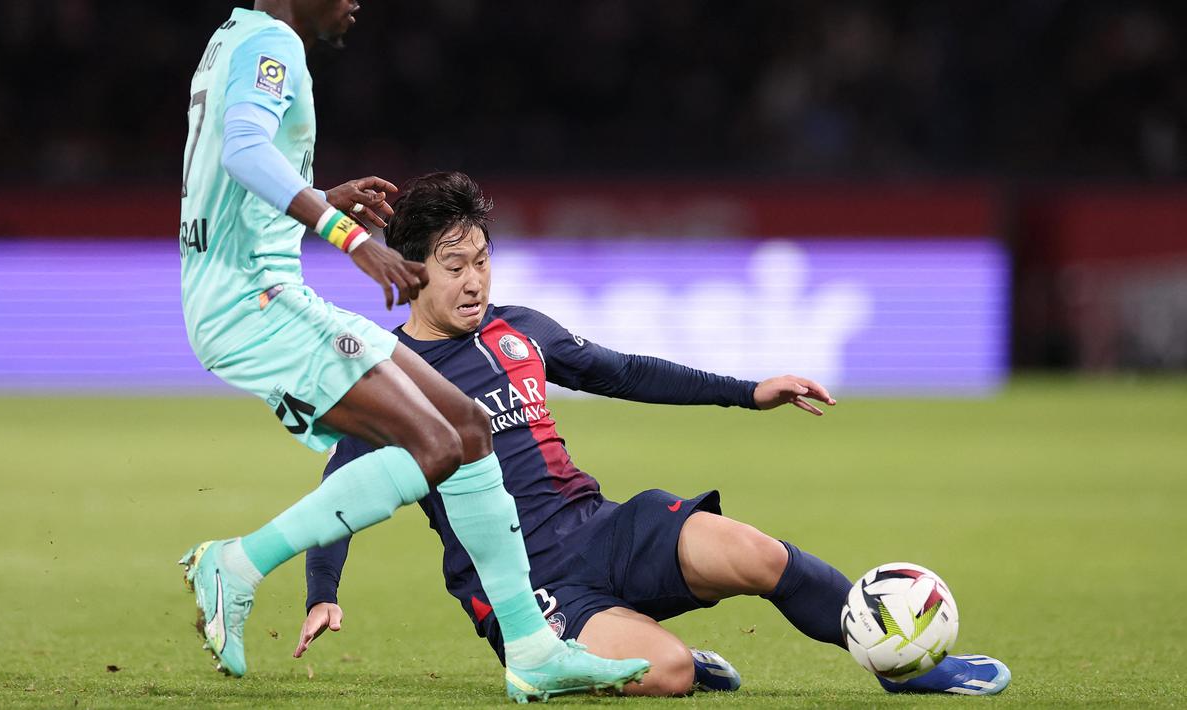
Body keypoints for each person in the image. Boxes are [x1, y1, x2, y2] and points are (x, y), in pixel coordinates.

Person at [293, 172, 1013, 697]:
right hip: (527, 591)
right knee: (668, 674)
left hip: (603, 527)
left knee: (760, 556)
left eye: (482, 261)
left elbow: (626, 371)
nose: (475, 280)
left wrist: (746, 393)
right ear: (409, 272)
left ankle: (897, 666)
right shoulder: (389, 376)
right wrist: (320, 592)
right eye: (455, 266)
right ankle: (595, 659)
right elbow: (342, 489)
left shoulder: (522, 329)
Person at [176, 3, 648, 701]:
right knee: (434, 442)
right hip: (254, 303)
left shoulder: (234, 38)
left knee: (465, 429)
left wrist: (315, 193)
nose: (353, 3)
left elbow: (231, 165)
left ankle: (533, 649)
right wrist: (349, 236)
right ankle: (237, 565)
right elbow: (245, 150)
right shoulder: (273, 43)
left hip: (268, 294)